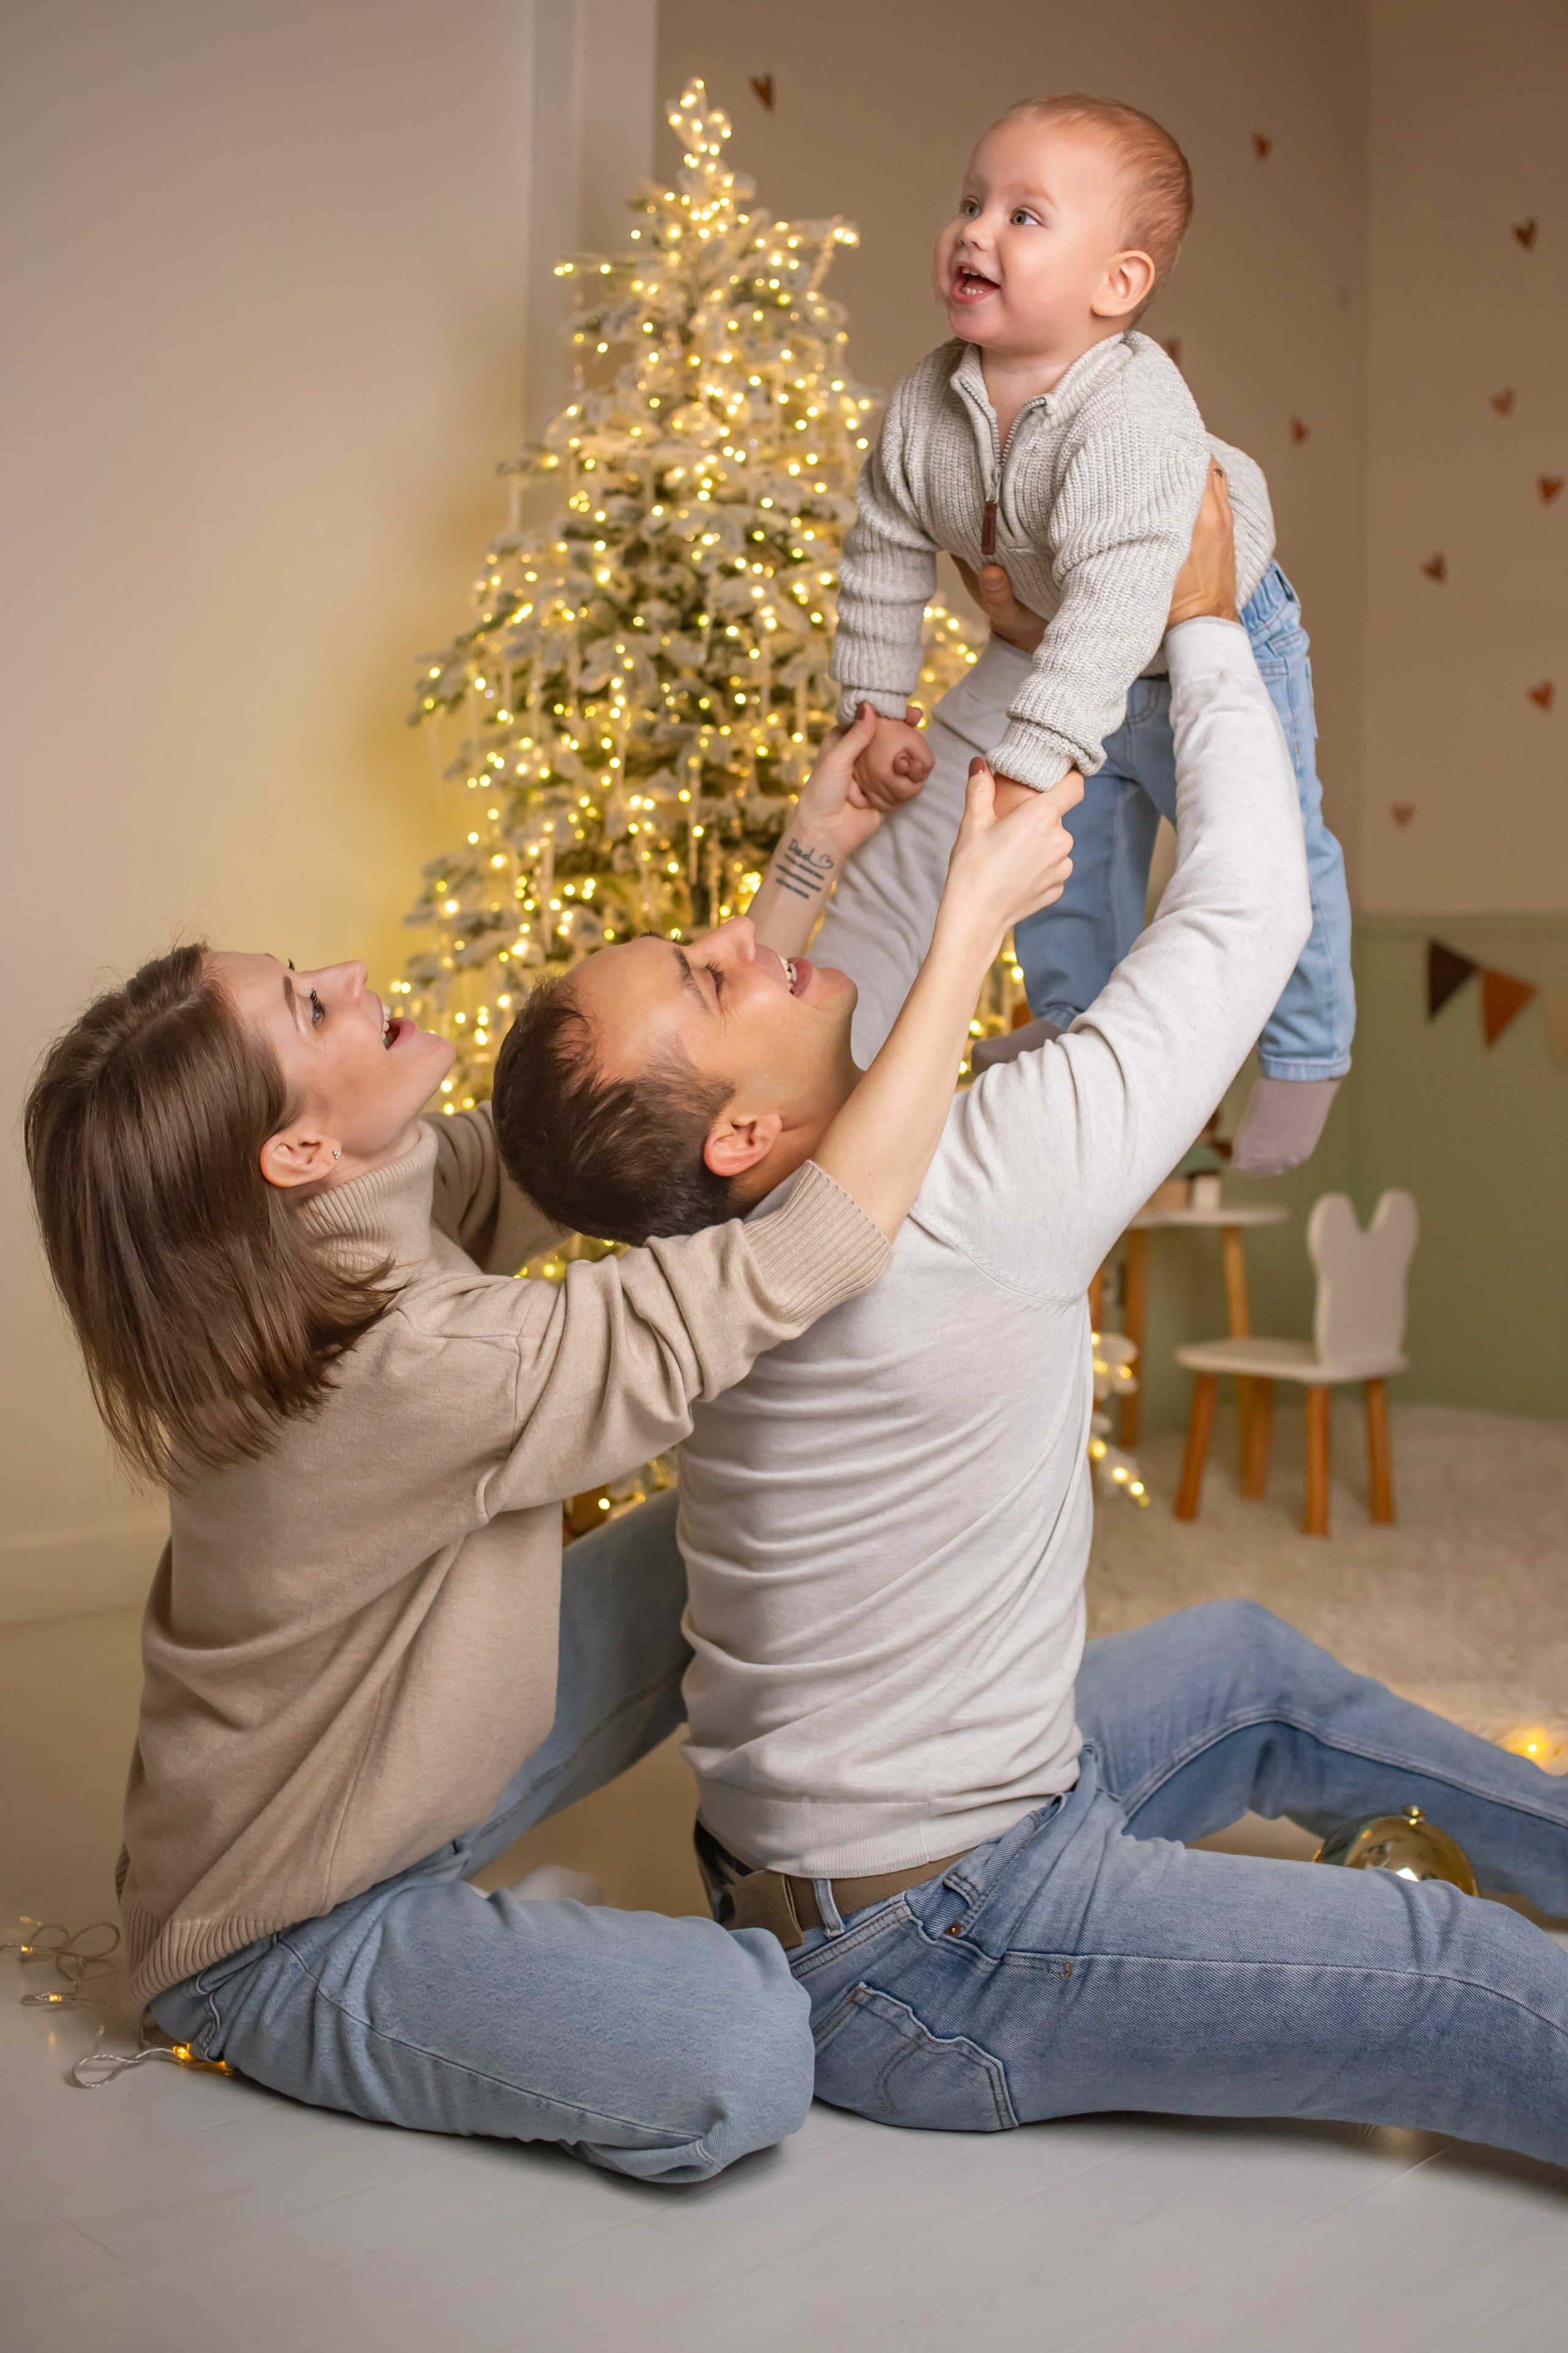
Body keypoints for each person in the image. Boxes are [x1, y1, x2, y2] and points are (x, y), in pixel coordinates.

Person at [496, 471, 1568, 2174]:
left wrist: (1030, 668)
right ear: (738, 1139)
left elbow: (922, 864)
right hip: (939, 1949)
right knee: (1447, 1978)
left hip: (899, 1844)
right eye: (707, 980)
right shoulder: (978, 1184)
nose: (740, 939)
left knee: (1246, 1671)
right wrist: (1204, 621)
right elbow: (1247, 913)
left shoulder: (705, 1252)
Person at [23, 716, 1077, 2186]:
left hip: (393, 1769)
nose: (343, 976)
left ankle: (872, 1807)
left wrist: (810, 856)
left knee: (692, 1542)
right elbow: (801, 1256)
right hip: (281, 1925)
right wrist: (966, 922)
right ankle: (454, 1972)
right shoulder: (409, 1372)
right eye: (305, 1011)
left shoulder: (330, 1230)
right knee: (743, 2057)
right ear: (294, 1151)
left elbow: (612, 1135)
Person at [830, 93, 1354, 1176]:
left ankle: (1308, 1053)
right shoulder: (926, 407)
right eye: (972, 202)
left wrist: (1032, 754)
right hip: (1072, 648)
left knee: (1262, 845)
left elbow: (1125, 595)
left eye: (1025, 216)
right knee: (1068, 862)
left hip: (1215, 630)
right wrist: (876, 708)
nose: (977, 230)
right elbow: (884, 541)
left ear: (1118, 285)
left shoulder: (1129, 409)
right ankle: (1074, 1023)